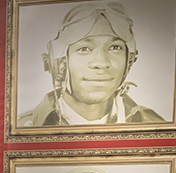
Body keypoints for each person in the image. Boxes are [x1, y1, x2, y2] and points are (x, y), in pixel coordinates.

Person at [18, 2, 164, 127]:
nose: (101, 63)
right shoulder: (25, 127)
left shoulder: (154, 123)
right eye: (84, 49)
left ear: (129, 60)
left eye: (115, 48)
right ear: (59, 63)